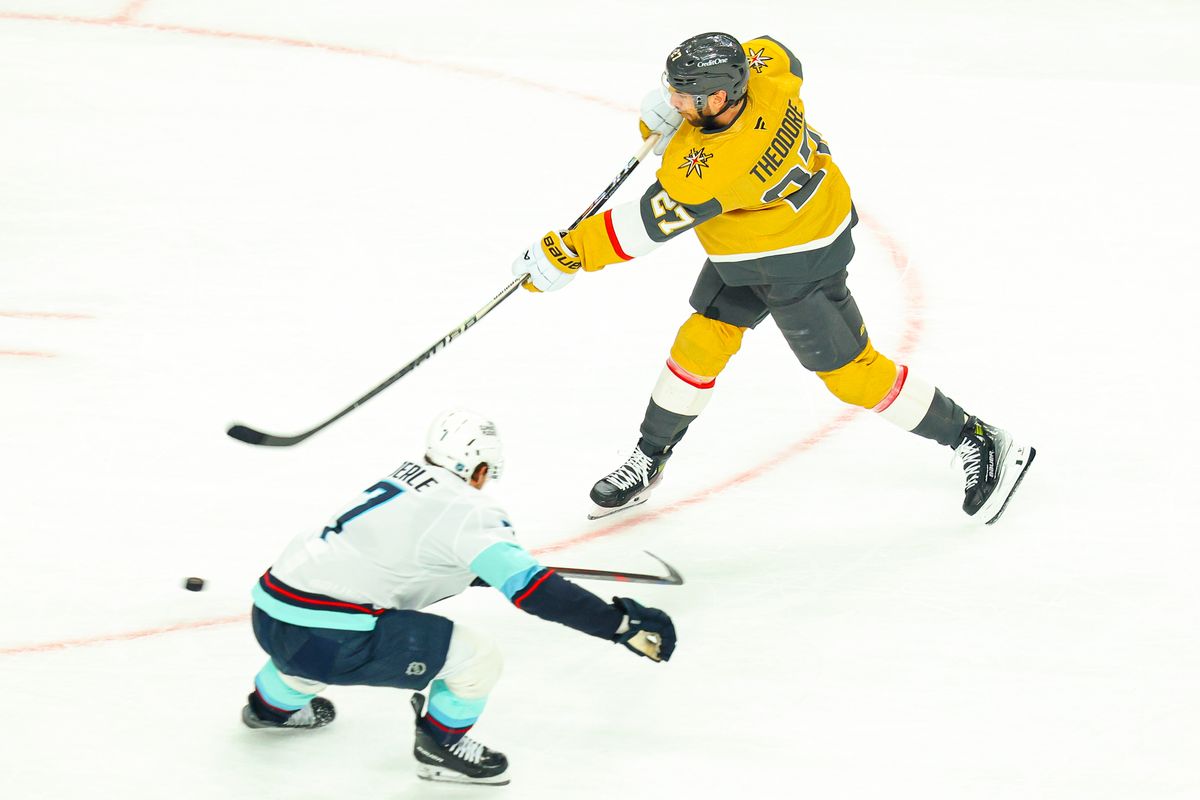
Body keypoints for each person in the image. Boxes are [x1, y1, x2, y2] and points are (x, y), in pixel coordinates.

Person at [512, 32, 1035, 524]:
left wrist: (568, 253)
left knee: (852, 374)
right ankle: (650, 458)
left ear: (720, 98)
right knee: (699, 343)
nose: (673, 101)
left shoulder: (716, 168)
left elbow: (647, 224)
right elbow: (777, 51)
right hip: (751, 247)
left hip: (797, 260)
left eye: (684, 95)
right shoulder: (767, 71)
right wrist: (678, 114)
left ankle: (977, 437)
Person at [240, 409, 676, 786]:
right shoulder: (469, 510)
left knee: (324, 631)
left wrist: (469, 568)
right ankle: (440, 748)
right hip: (329, 641)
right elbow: (535, 592)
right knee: (477, 658)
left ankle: (269, 706)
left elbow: (398, 558)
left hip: (269, 616)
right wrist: (619, 625)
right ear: (481, 469)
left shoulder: (404, 477)